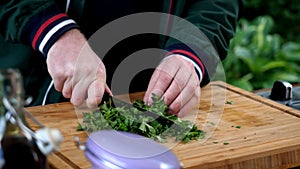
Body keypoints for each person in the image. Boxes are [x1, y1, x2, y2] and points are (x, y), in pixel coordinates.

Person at [0, 0, 243, 116]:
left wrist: (189, 54)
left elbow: (216, 4)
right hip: (35, 91)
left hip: (154, 107)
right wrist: (53, 33)